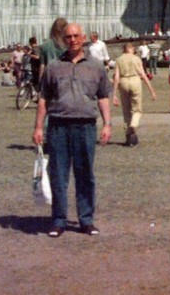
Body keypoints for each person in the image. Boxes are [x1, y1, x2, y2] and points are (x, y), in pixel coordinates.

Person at [33, 22, 113, 237]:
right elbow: (43, 99)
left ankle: (86, 220)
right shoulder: (53, 66)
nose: (73, 40)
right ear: (63, 39)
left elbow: (103, 96)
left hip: (85, 126)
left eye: (76, 36)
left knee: (85, 175)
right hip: (58, 127)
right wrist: (39, 127)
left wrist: (107, 124)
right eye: (68, 37)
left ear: (84, 37)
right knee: (58, 175)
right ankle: (58, 220)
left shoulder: (96, 66)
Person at [112, 42, 156, 146]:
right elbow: (144, 75)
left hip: (123, 82)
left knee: (126, 109)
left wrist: (114, 94)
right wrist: (151, 90)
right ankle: (133, 124)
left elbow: (116, 77)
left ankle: (129, 134)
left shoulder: (119, 60)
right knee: (137, 109)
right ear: (131, 49)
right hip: (135, 81)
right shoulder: (137, 59)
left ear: (124, 49)